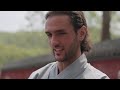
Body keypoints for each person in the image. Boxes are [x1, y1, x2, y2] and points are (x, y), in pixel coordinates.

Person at [28, 11, 109, 79]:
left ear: (81, 33)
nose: (53, 42)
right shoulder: (37, 76)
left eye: (61, 33)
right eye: (49, 35)